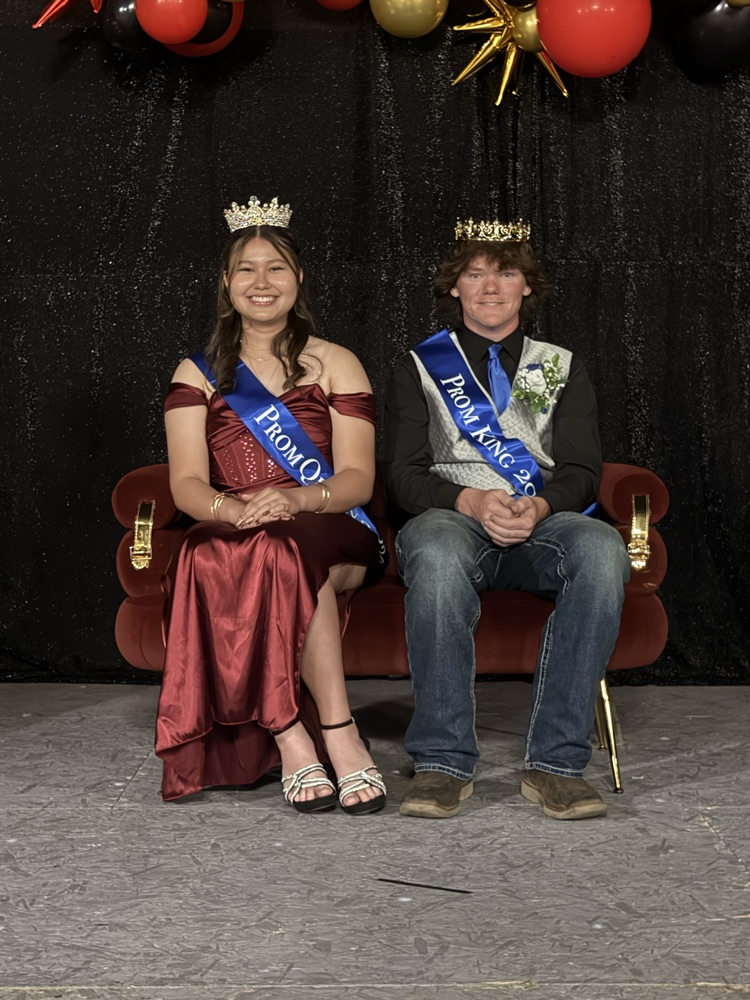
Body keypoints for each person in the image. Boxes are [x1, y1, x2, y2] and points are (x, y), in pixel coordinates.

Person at [382, 218, 630, 821]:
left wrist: (540, 505)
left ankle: (556, 765)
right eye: (475, 274)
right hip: (451, 516)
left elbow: (582, 470)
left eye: (507, 272)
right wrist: (469, 500)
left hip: (540, 519)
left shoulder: (558, 365)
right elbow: (402, 476)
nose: (490, 287)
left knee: (602, 549)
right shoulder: (420, 366)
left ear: (527, 287)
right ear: (455, 287)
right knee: (436, 555)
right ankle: (442, 762)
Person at [155, 196, 386, 815]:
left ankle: (337, 730)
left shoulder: (336, 362)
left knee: (286, 546)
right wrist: (237, 512)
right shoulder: (196, 373)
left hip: (332, 523)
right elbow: (186, 485)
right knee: (216, 550)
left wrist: (293, 498)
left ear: (298, 278)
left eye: (276, 267)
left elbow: (359, 479)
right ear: (226, 283)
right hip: (238, 525)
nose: (262, 282)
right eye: (247, 269)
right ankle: (292, 736)